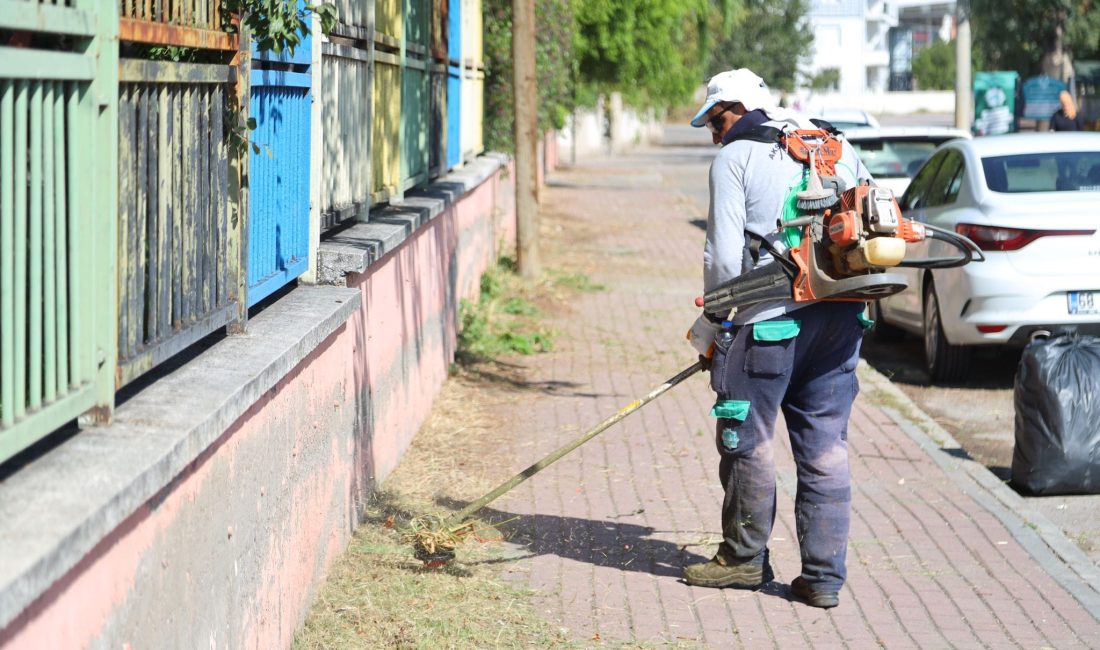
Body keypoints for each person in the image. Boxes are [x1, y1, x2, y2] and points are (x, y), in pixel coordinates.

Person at [683, 69, 873, 609]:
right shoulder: (834, 143)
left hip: (768, 321)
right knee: (826, 448)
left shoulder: (735, 158)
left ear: (742, 108)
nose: (716, 135)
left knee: (750, 439)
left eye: (718, 120)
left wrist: (713, 330)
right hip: (841, 318)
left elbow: (722, 258)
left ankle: (742, 561)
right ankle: (822, 578)